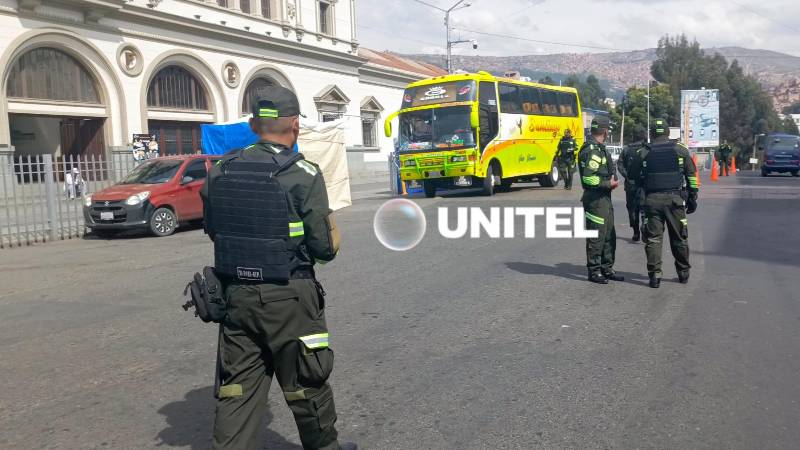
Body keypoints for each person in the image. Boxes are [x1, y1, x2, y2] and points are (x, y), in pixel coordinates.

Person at [200, 87, 354, 450]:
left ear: (253, 124)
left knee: (236, 390)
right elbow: (324, 248)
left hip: (236, 297)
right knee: (306, 384)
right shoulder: (303, 173)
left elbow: (214, 231)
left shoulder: (220, 170)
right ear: (295, 126)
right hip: (290, 299)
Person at [630, 118, 699, 289]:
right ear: (668, 133)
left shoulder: (642, 152)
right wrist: (693, 197)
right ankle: (683, 273)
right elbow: (691, 175)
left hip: (652, 200)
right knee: (679, 238)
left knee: (653, 240)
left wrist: (640, 193)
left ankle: (655, 277)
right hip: (675, 200)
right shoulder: (680, 150)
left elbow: (632, 176)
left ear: (651, 134)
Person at [578, 115, 623, 284]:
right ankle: (594, 270)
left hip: (604, 198)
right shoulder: (593, 151)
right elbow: (588, 179)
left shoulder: (598, 148)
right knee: (597, 235)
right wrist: (607, 184)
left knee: (609, 234)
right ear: (605, 131)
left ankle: (607, 268)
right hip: (596, 199)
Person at [617, 142, 645, 241]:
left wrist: (627, 176)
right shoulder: (647, 148)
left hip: (630, 185)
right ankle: (644, 228)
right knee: (644, 208)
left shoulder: (626, 150)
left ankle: (636, 232)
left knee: (632, 209)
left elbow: (620, 165)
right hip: (644, 184)